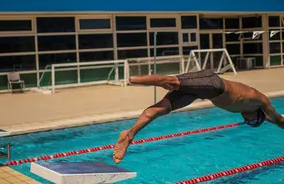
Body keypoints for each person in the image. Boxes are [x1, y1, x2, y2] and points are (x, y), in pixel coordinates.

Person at [113, 69, 284, 164]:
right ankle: (136, 79)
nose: (247, 121)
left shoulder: (244, 109)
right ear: (259, 114)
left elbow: (266, 119)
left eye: (249, 123)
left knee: (159, 110)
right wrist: (278, 122)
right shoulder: (261, 101)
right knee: (172, 82)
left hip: (202, 94)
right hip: (213, 83)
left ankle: (129, 135)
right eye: (252, 121)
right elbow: (277, 119)